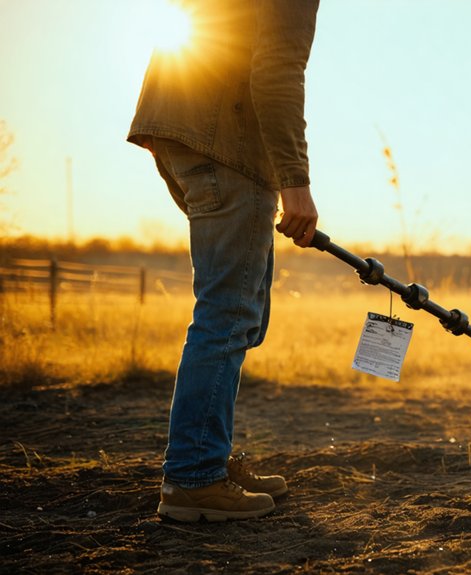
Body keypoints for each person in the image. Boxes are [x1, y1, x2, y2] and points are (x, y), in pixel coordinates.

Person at [127, 0, 321, 521]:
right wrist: (295, 183)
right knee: (228, 314)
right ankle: (193, 477)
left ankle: (207, 457)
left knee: (240, 311)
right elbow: (278, 72)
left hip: (179, 129)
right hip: (223, 139)